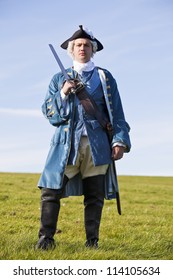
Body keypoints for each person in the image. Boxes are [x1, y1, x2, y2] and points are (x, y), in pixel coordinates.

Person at [36, 25, 131, 250]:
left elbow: (117, 113)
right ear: (71, 49)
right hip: (65, 144)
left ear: (93, 49)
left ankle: (92, 243)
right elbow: (49, 113)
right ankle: (46, 240)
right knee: (50, 191)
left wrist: (119, 140)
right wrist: (63, 93)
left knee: (94, 195)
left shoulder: (105, 77)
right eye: (78, 45)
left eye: (87, 45)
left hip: (97, 145)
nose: (82, 48)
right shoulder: (58, 78)